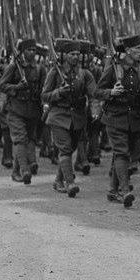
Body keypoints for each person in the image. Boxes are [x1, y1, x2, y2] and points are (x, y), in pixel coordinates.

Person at [94, 34, 140, 208]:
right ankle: (125, 190)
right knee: (121, 153)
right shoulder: (114, 69)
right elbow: (97, 91)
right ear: (128, 50)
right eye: (137, 48)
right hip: (114, 118)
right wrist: (110, 93)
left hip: (134, 119)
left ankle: (113, 191)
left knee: (131, 155)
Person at [42, 38, 97, 197]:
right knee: (65, 149)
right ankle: (70, 182)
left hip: (77, 118)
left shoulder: (85, 74)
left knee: (70, 149)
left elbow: (93, 93)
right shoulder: (55, 72)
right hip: (58, 115)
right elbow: (44, 95)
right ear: (65, 55)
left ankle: (58, 181)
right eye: (72, 54)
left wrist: (98, 105)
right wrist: (59, 92)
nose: (75, 57)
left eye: (78, 54)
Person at [0, 38, 46, 185]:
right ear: (22, 51)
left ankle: (15, 171)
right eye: (28, 50)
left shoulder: (40, 69)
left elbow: (43, 89)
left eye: (33, 50)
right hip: (16, 108)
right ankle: (25, 170)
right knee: (20, 138)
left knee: (28, 139)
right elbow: (2, 85)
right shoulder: (14, 67)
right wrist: (18, 87)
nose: (31, 53)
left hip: (32, 110)